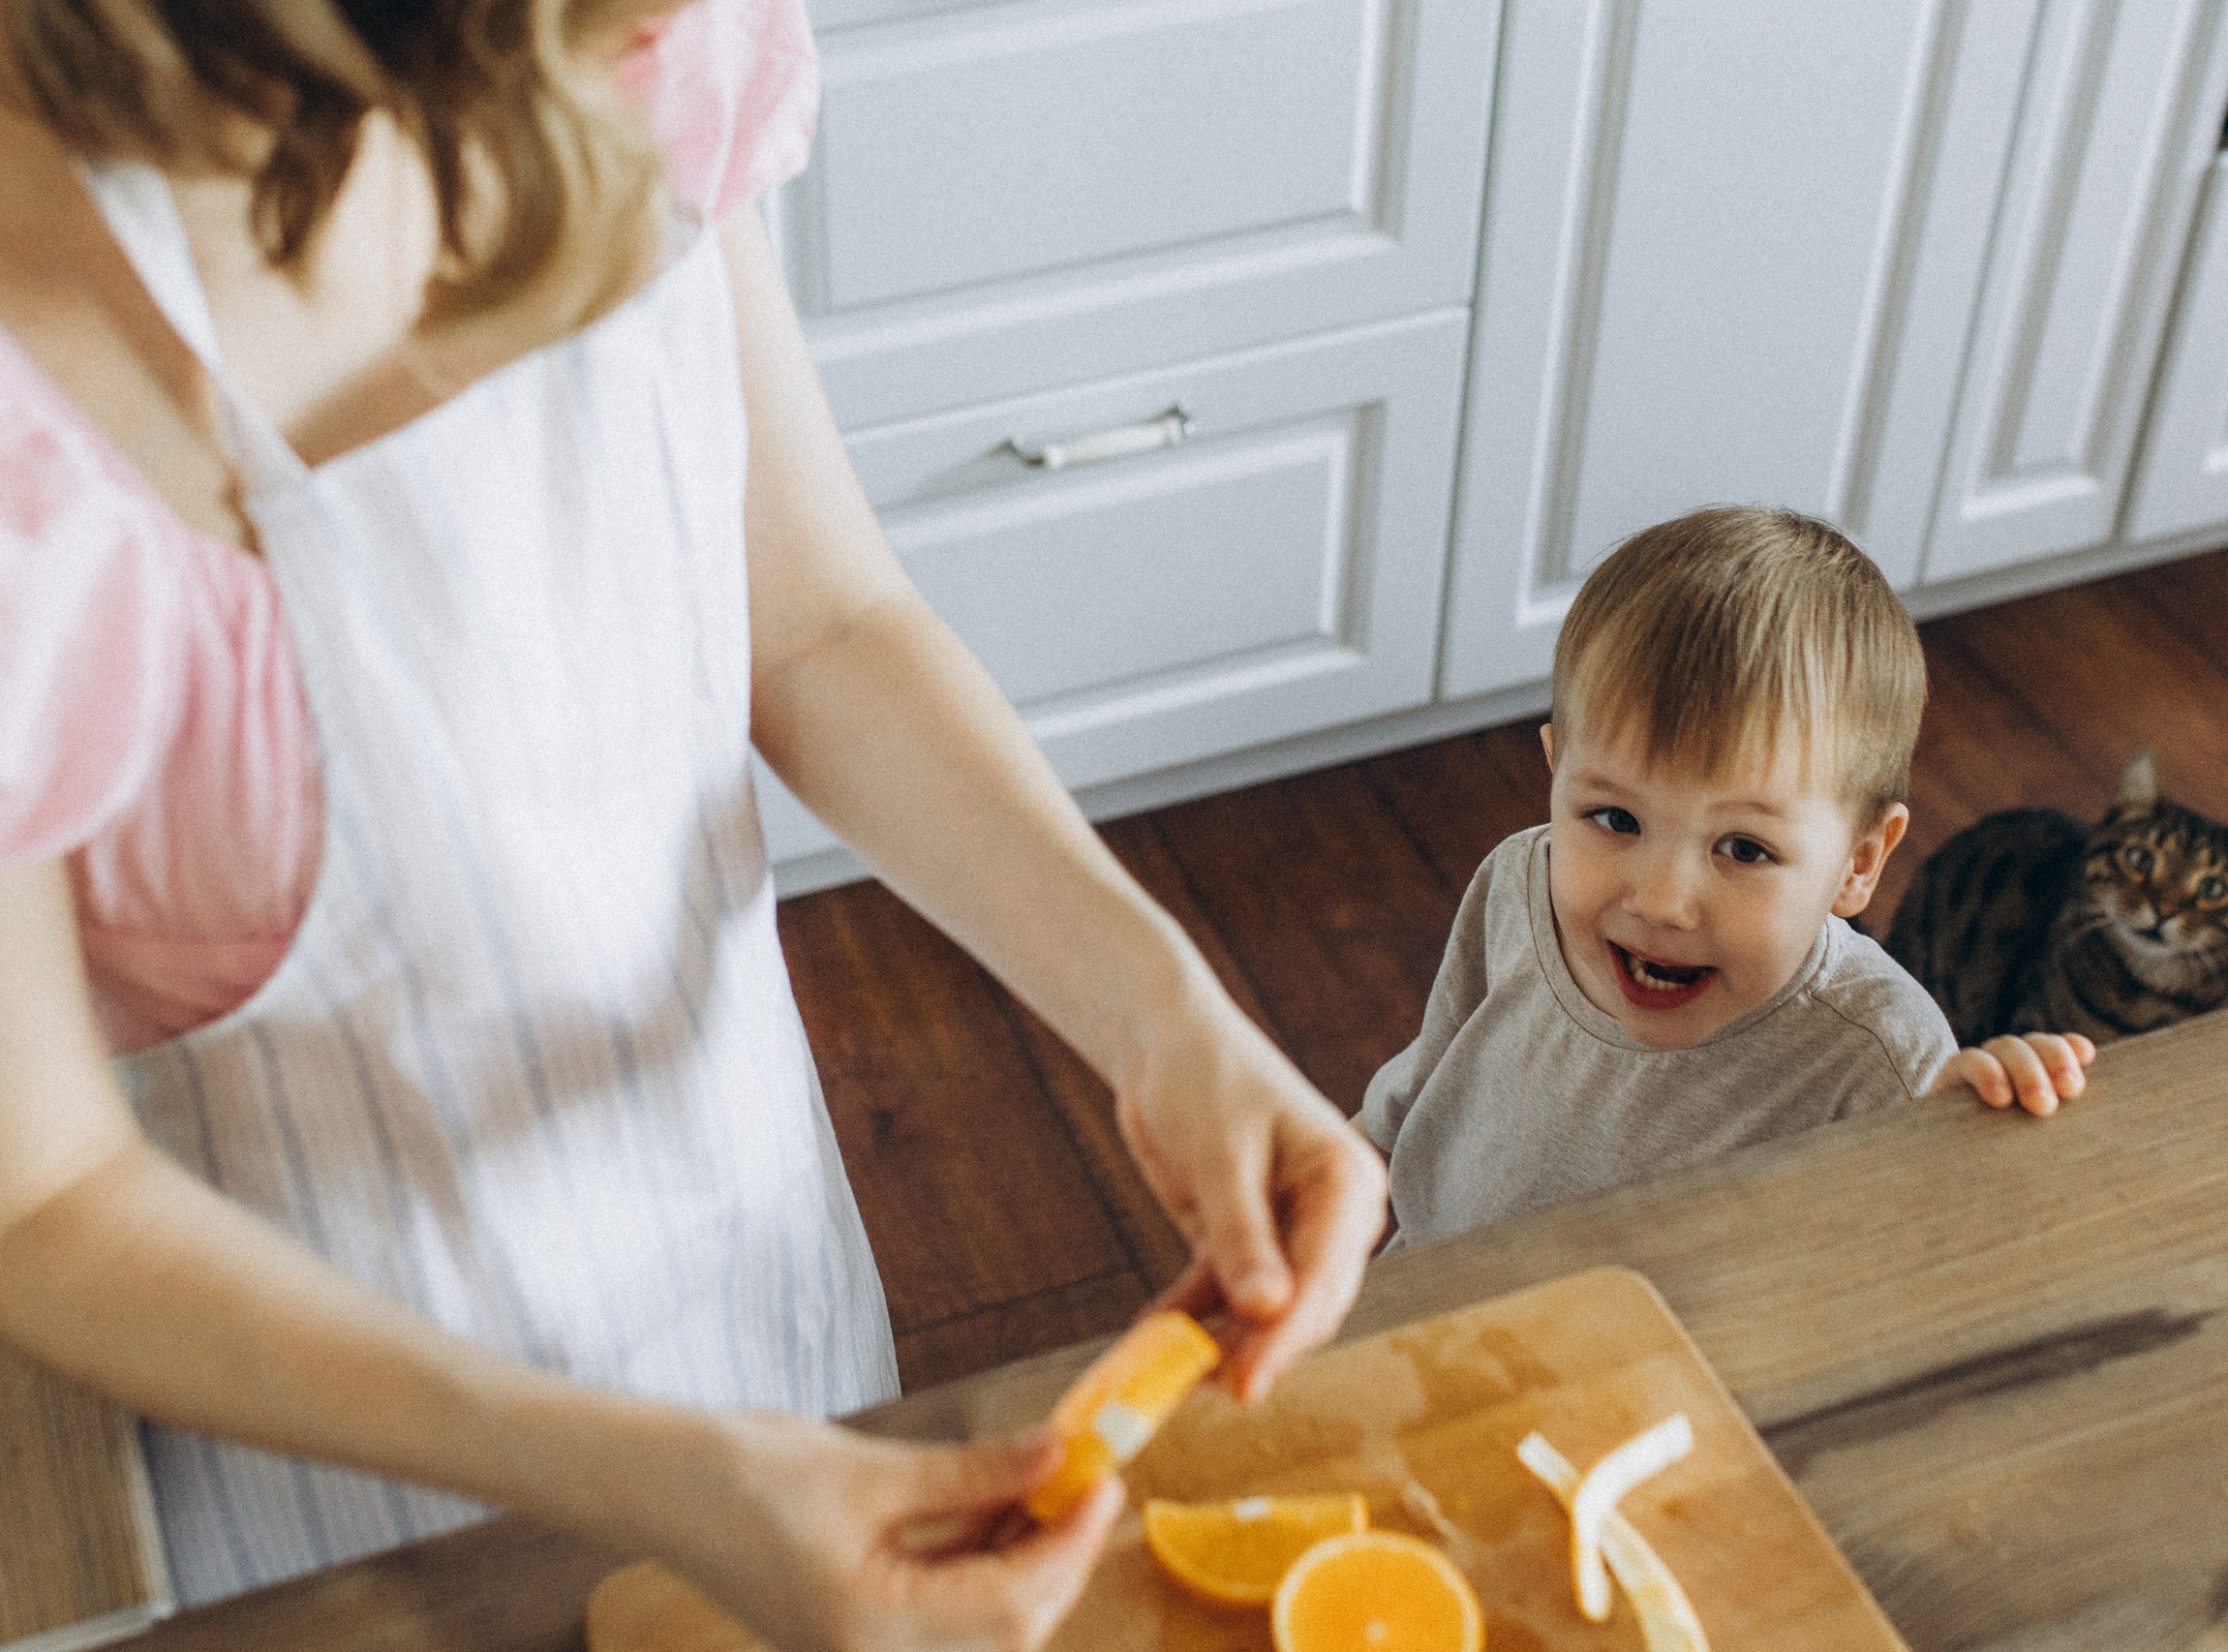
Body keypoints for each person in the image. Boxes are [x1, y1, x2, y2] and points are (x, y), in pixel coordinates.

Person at [0, 2, 1385, 1647]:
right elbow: (49, 1197)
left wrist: (1161, 1011)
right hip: (349, 1477)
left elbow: (821, 628)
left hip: (758, 1290)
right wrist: (669, 1481)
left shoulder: (652, 50)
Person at [1357, 507, 2094, 1250]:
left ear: (1858, 863)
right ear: (1556, 770)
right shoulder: (1518, 884)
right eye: (1614, 819)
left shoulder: (1880, 1057)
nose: (1660, 902)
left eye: (1743, 849)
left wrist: (1975, 1152)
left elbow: (1928, 1269)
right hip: (1419, 1317)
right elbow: (1423, 1083)